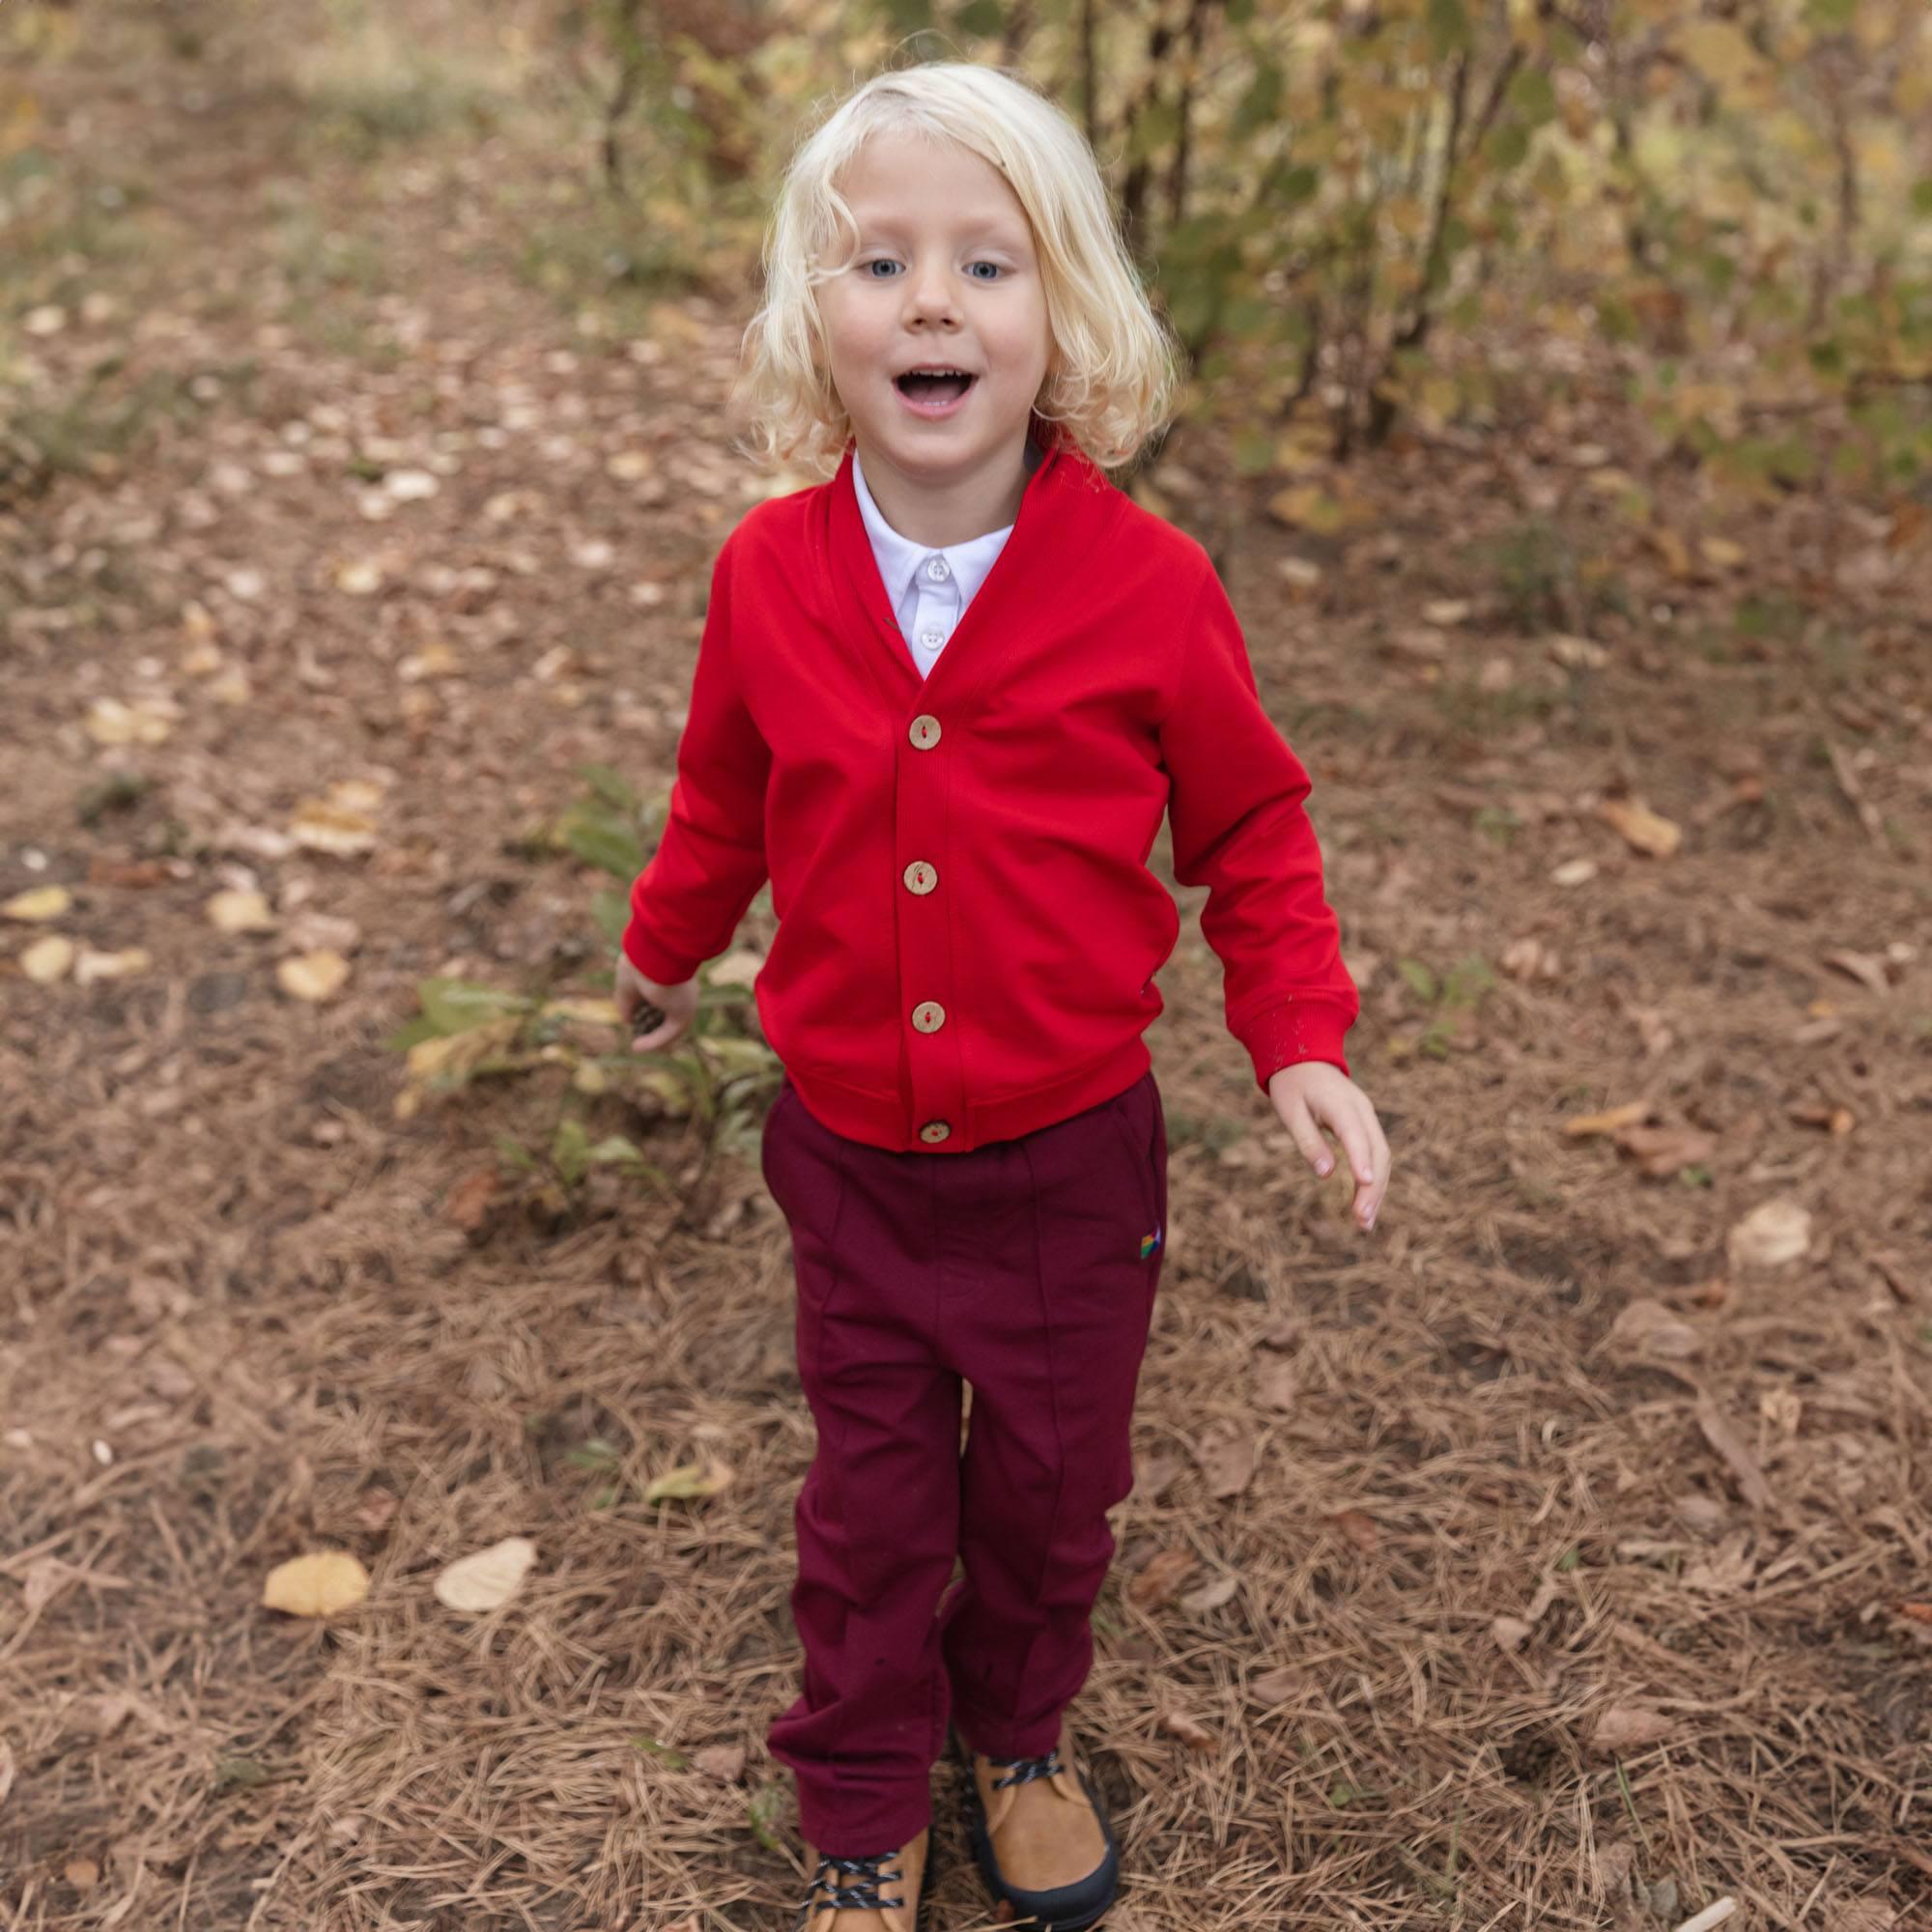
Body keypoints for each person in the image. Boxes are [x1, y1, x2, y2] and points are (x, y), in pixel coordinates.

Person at [612, 59, 1392, 1932]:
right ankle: (867, 1793)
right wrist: (659, 945)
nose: (935, 300)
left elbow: (1252, 820)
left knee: (1048, 1495)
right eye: (880, 260)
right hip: (852, 1161)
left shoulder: (1144, 585)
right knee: (872, 1507)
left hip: (1065, 1164)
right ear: (820, 316)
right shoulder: (765, 576)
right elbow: (724, 794)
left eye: (988, 261)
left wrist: (1295, 1033)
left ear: (1066, 317)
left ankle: (1016, 1736)